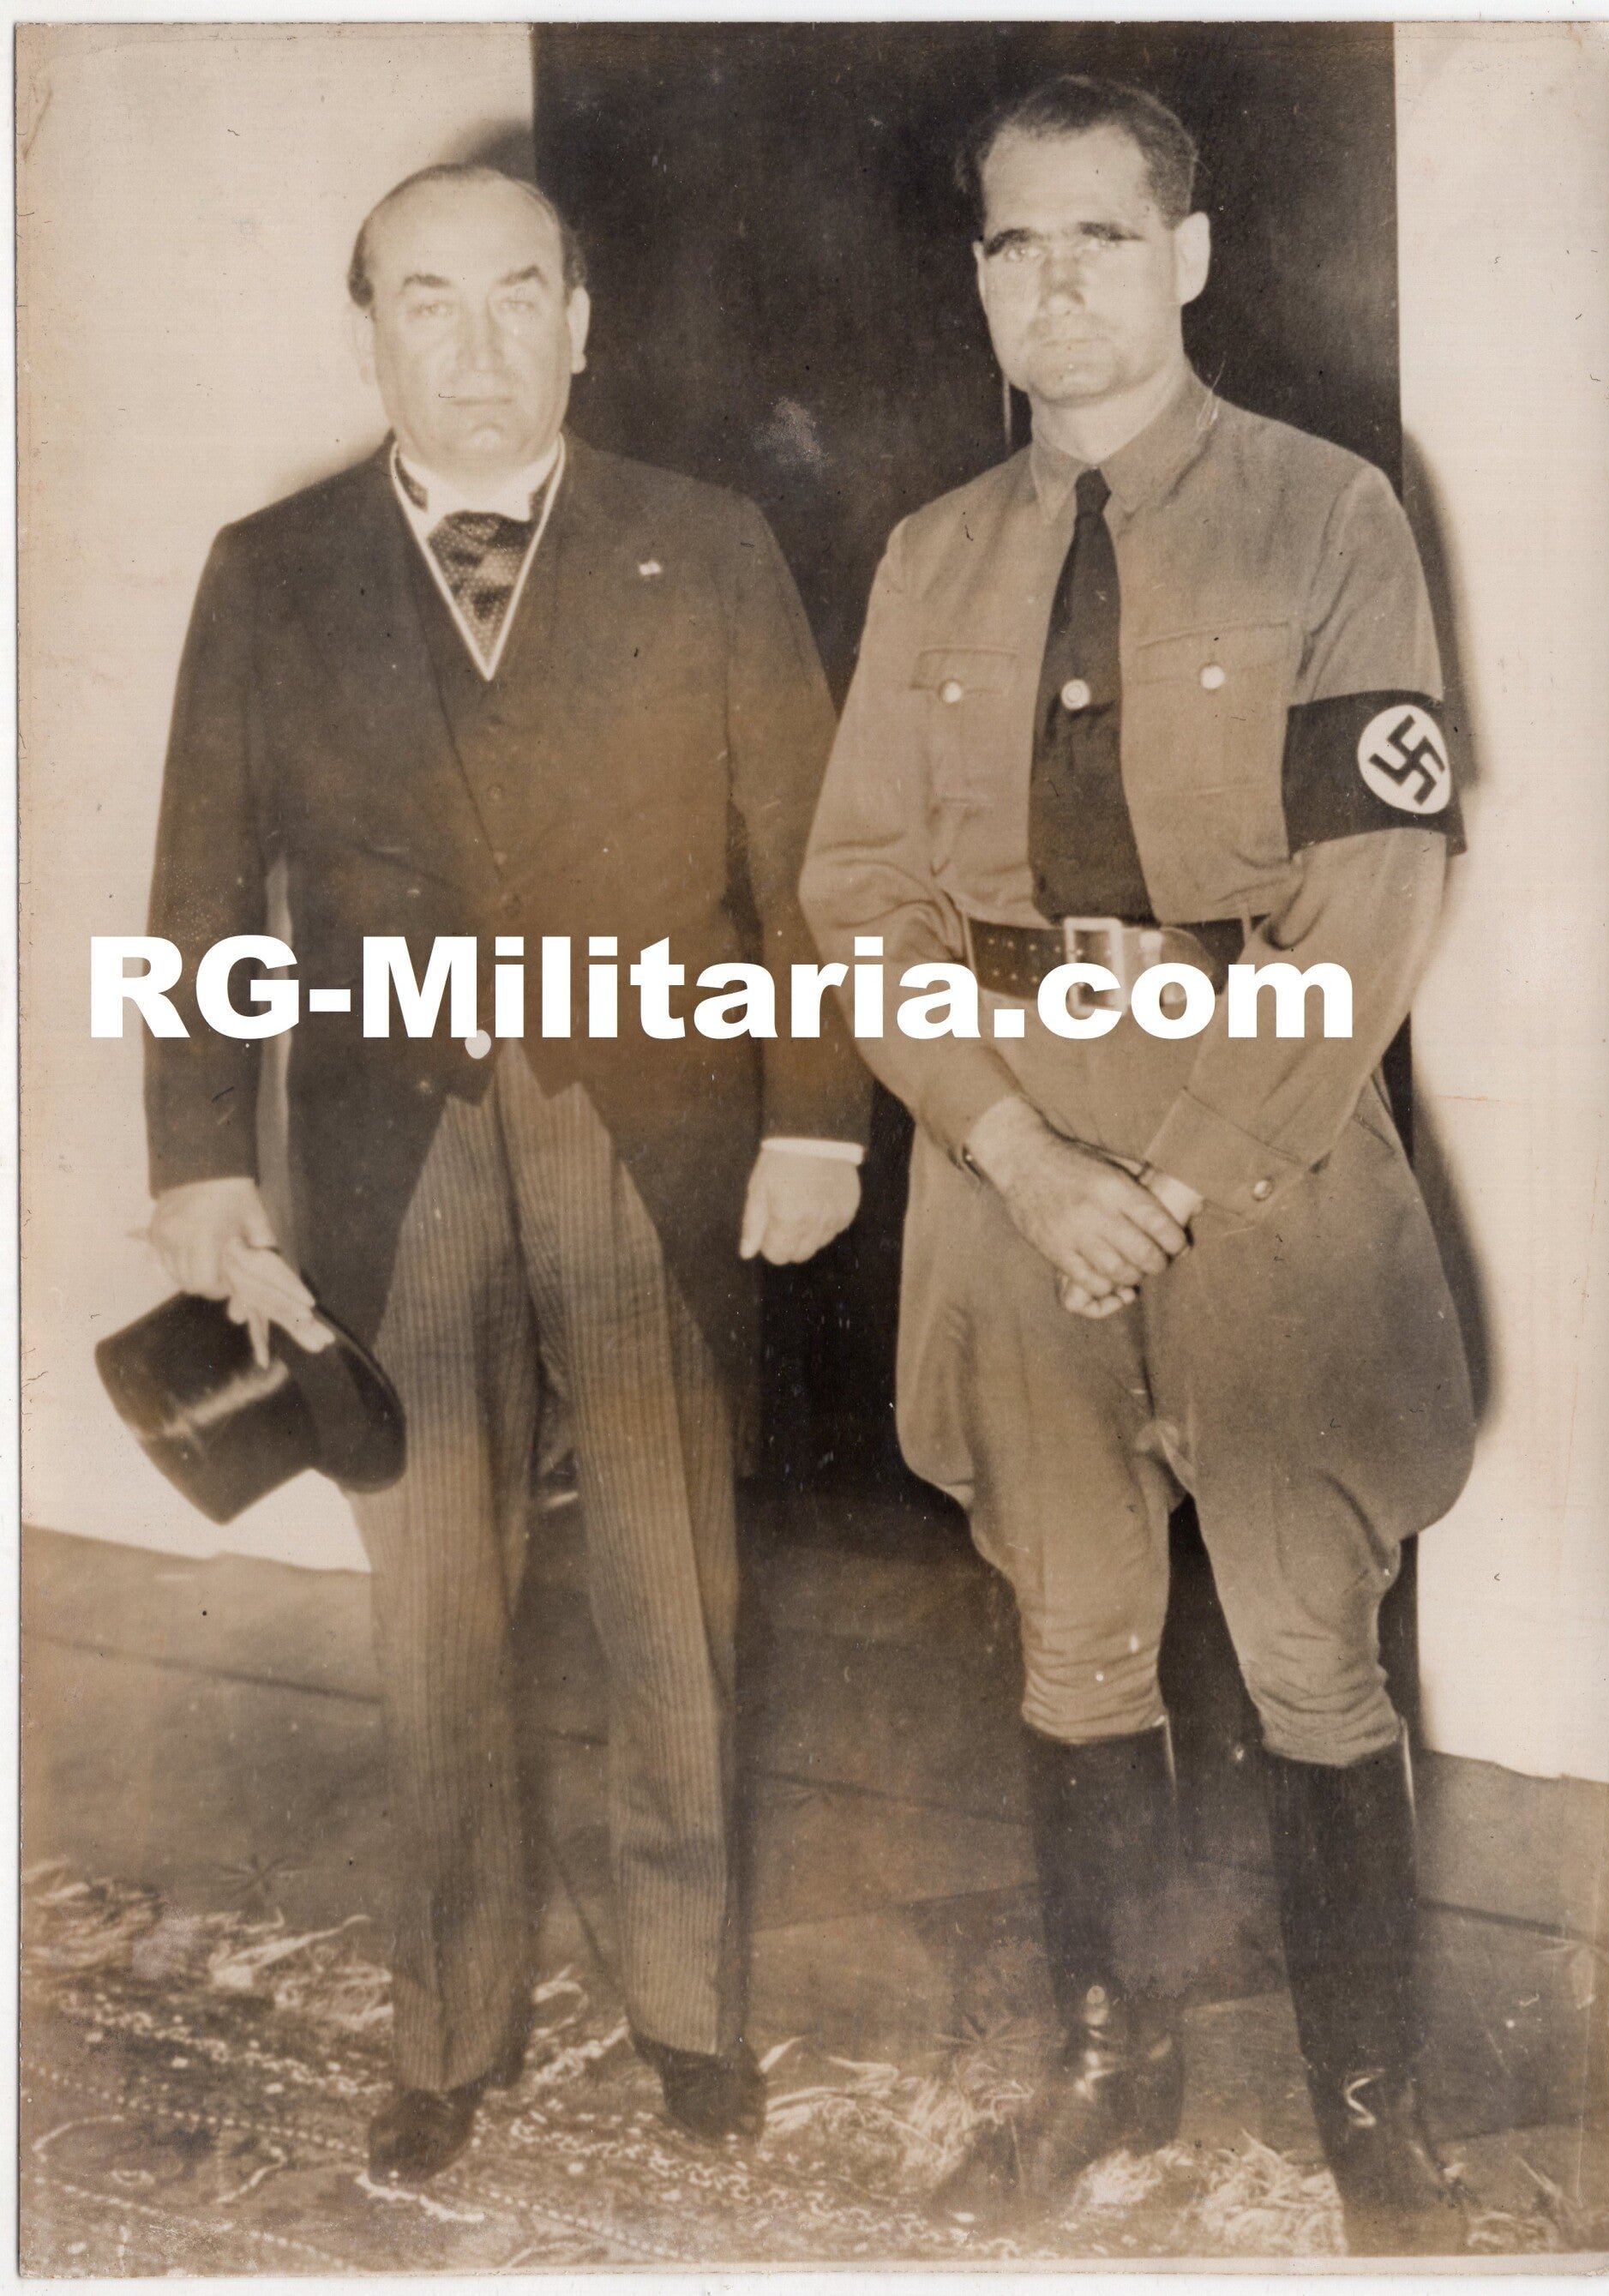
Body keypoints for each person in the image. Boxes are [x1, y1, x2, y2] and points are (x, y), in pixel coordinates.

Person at [801, 76, 1474, 2254]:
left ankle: (1373, 2104)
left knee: (1309, 1637)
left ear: (1188, 256)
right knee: (1074, 1630)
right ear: (979, 272)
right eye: (1013, 243)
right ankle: (1115, 2065)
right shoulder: (929, 553)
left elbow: (1375, 898)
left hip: (1259, 1136)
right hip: (1007, 1145)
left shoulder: (1327, 511)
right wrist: (1008, 1146)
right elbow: (860, 896)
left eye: (1100, 237)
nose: (1054, 284)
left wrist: (1172, 1170)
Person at [145, 163, 868, 2183]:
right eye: (424, 302)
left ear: (581, 319)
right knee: (435, 1606)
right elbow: (201, 886)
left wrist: (819, 1111)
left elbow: (809, 863)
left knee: (673, 1589)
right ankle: (447, 2030)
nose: (472, 349)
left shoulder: (708, 547)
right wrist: (201, 1161)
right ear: (363, 327)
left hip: (658, 1138)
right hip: (393, 1151)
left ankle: (691, 2011)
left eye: (513, 299)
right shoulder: (268, 566)